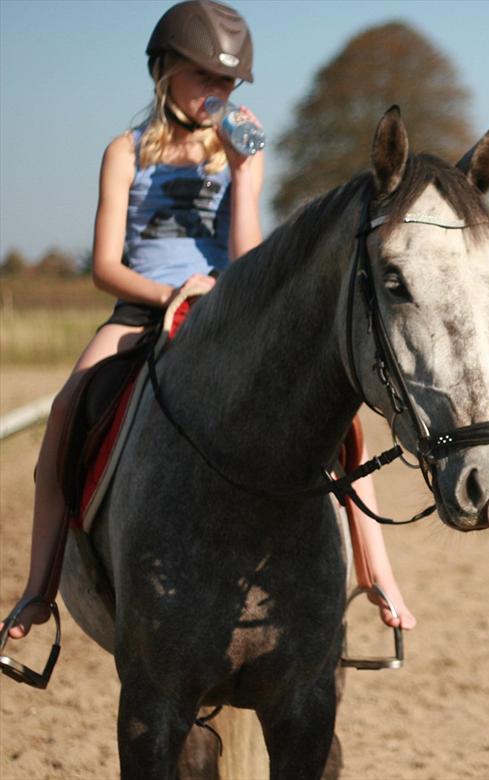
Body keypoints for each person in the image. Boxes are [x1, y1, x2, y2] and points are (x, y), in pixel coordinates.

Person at [1, 0, 413, 672]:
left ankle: (376, 573)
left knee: (343, 423)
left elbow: (249, 259)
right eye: (203, 79)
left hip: (228, 316)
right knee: (65, 416)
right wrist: (171, 295)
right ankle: (39, 591)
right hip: (143, 313)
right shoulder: (124, 151)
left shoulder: (237, 157)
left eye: (227, 85)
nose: (217, 95)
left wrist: (246, 181)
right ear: (164, 72)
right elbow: (108, 264)